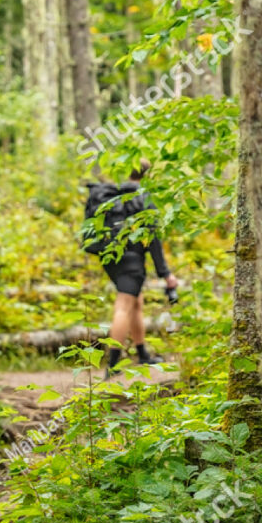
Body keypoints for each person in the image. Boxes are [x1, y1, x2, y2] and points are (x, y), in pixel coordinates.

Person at [93, 160, 179, 375]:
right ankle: (112, 365)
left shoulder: (115, 195)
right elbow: (153, 239)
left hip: (110, 258)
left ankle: (142, 354)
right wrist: (166, 274)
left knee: (135, 302)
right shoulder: (144, 198)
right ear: (147, 175)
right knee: (123, 305)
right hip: (131, 262)